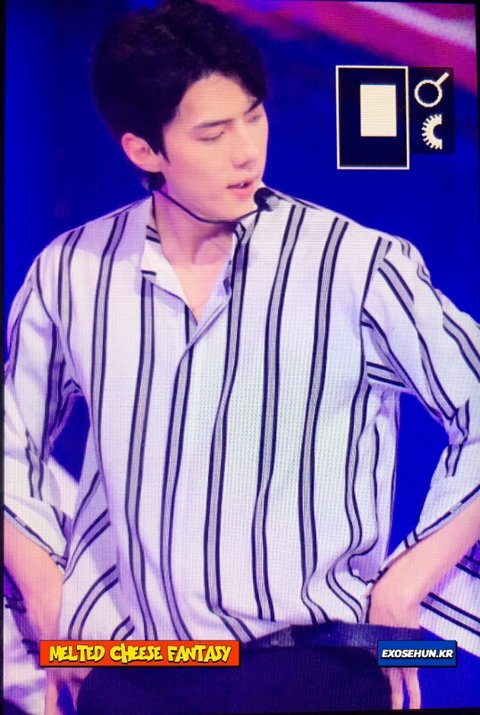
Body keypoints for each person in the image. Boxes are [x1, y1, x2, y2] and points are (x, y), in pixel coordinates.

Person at [4, 0, 480, 712]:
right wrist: (46, 590)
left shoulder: (353, 264)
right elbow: (12, 438)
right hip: (132, 670)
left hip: (317, 666)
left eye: (253, 118)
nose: (245, 151)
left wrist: (409, 583)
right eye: (212, 132)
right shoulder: (72, 272)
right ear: (143, 150)